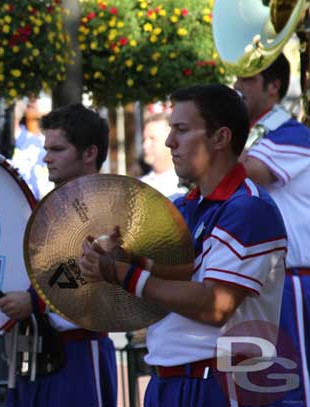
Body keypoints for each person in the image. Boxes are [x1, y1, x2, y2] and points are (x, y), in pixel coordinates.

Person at [79, 84, 288, 406]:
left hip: (217, 385)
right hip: (171, 383)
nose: (169, 142)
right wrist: (127, 259)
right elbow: (183, 274)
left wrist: (124, 273)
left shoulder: (250, 208)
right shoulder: (183, 206)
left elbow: (215, 304)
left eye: (182, 130)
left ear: (220, 138)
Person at [0, 103, 118, 407]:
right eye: (46, 148)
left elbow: (88, 272)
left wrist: (34, 301)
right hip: (31, 351)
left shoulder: (108, 206)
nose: (46, 157)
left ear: (89, 153)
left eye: (58, 149)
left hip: (78, 354)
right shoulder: (49, 207)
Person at [236, 54, 310, 405]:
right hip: (249, 283)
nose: (237, 87)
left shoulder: (293, 134)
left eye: (247, 80)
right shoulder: (250, 138)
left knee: (293, 391)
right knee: (252, 391)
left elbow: (242, 174)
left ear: (274, 86)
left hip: (291, 281)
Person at [140, 112, 187, 198]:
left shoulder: (185, 187)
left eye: (152, 139)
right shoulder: (139, 186)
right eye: (144, 139)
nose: (145, 145)